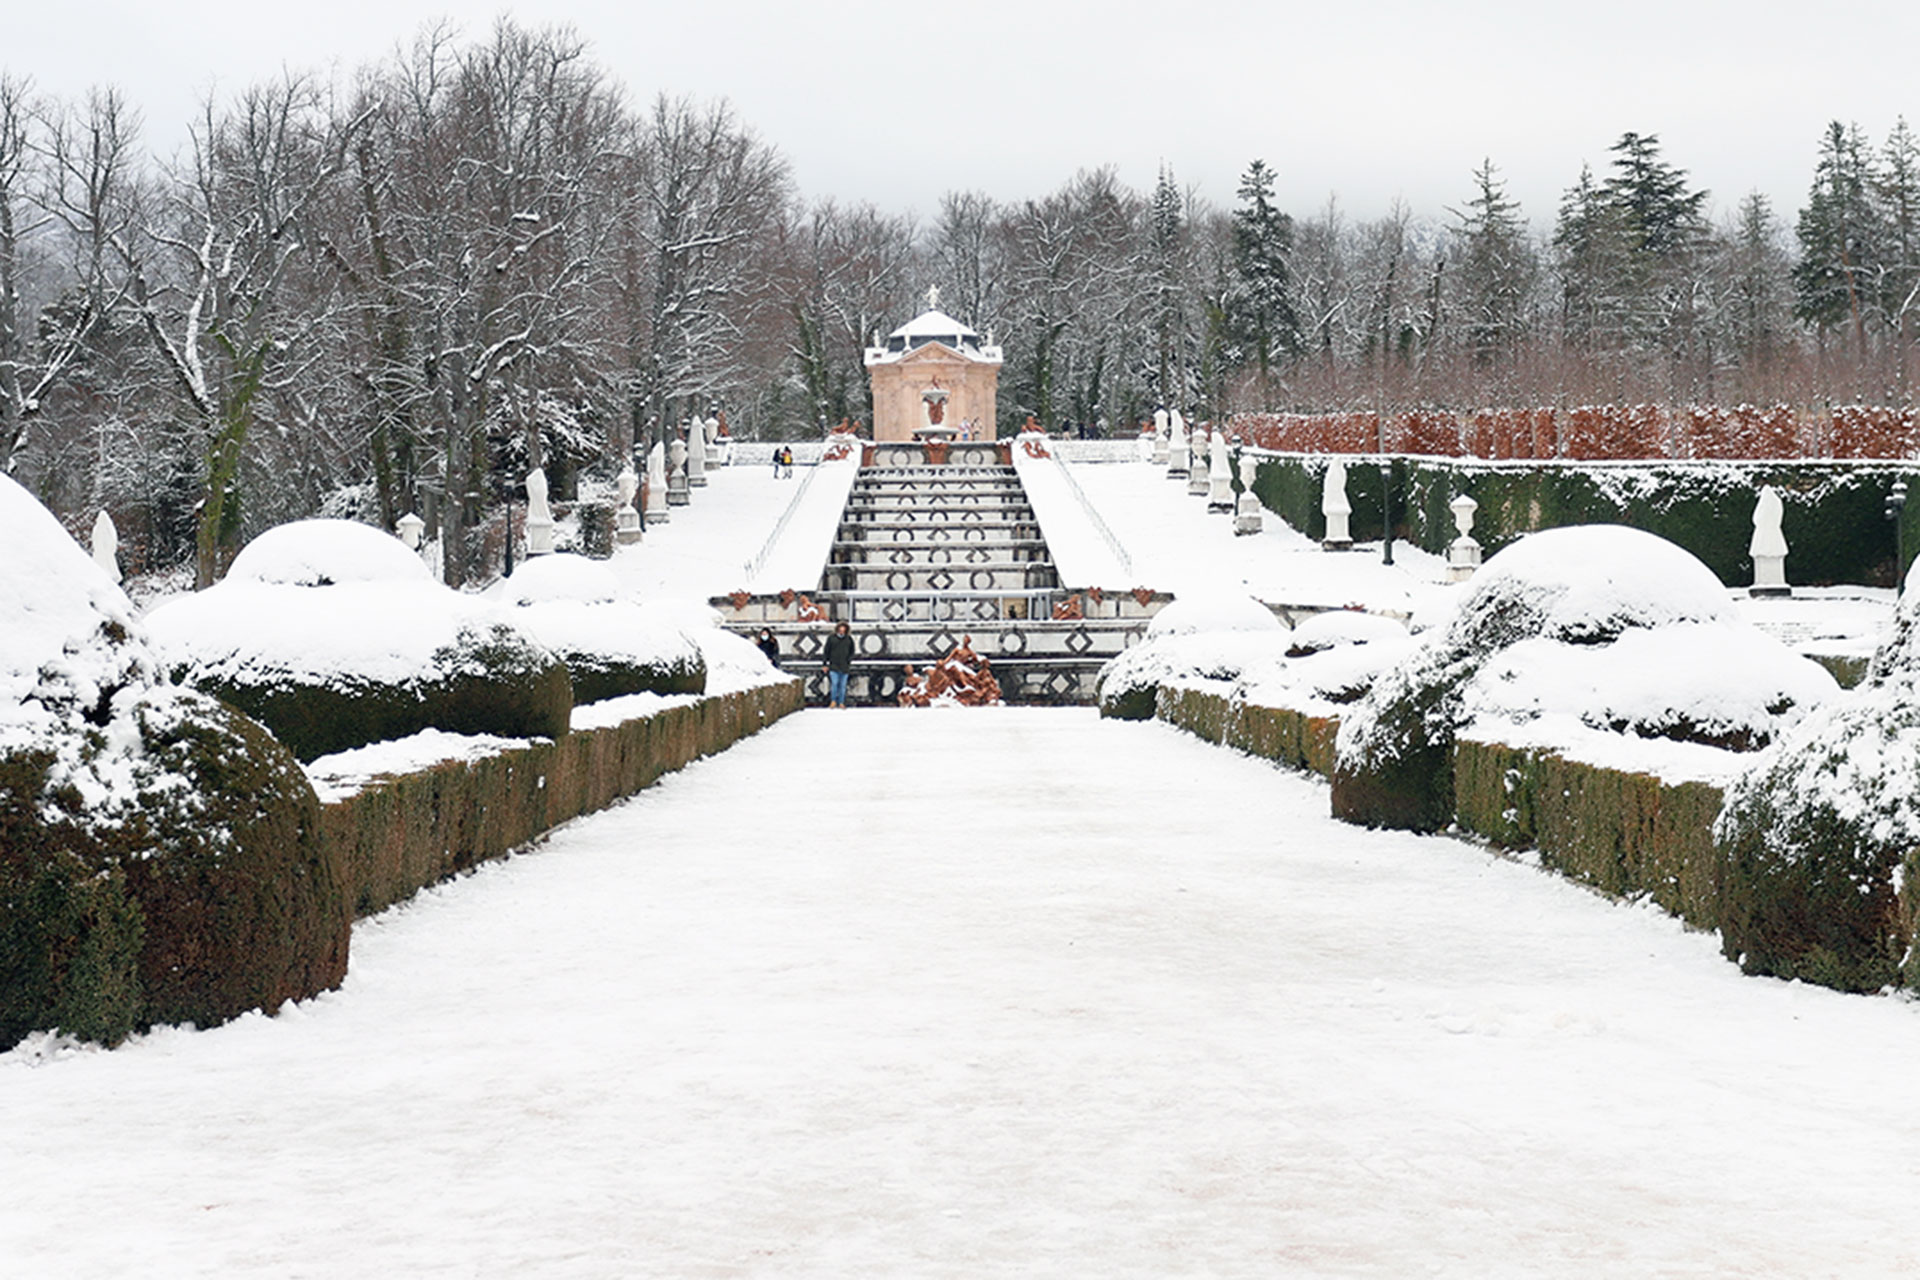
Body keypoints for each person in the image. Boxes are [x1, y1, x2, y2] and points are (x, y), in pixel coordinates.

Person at [821, 620, 854, 708]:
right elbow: (826, 651)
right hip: (834, 665)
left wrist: (848, 660)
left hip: (844, 666)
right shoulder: (832, 638)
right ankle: (833, 701)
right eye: (840, 629)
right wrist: (824, 664)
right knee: (834, 684)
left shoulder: (848, 639)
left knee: (842, 686)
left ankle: (841, 702)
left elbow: (852, 651)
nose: (842, 630)